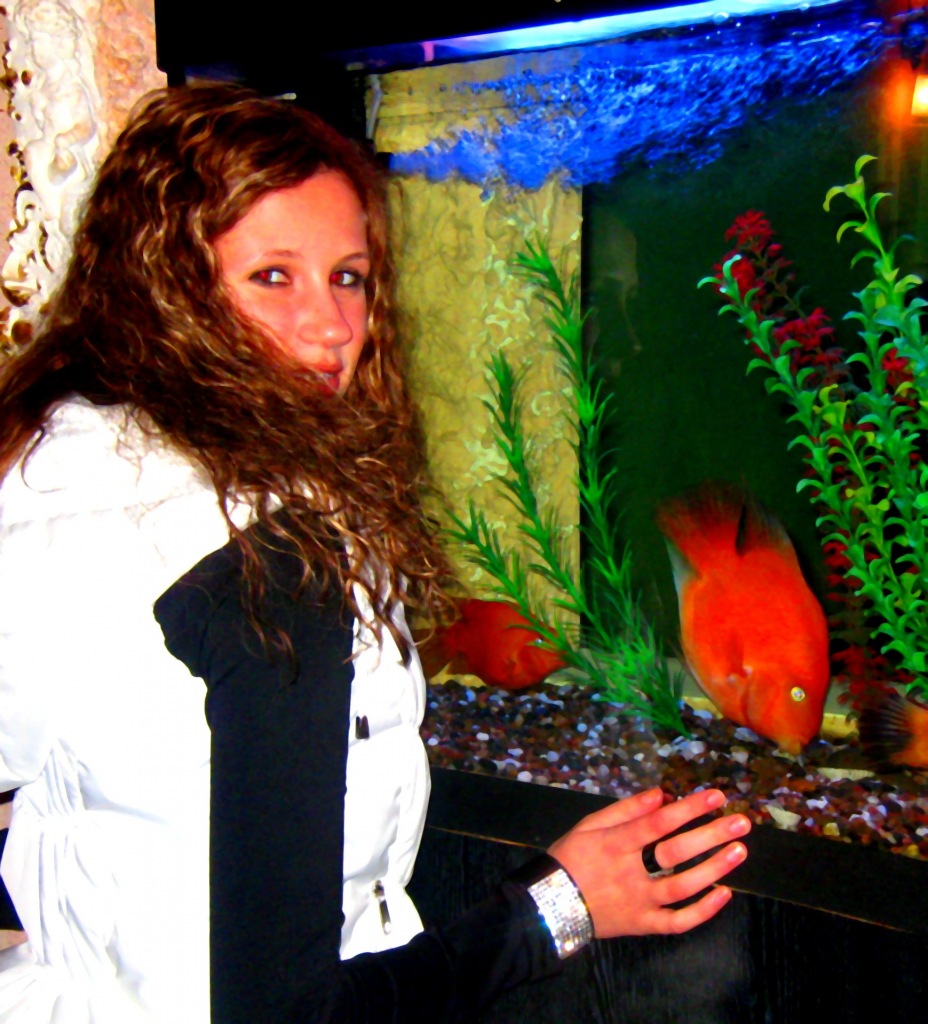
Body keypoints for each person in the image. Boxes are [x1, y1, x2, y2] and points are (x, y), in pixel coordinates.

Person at [0, 84, 751, 1023]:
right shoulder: (269, 561)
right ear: (163, 289)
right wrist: (561, 905)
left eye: (348, 277)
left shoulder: (53, 466)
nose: (332, 327)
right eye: (273, 276)